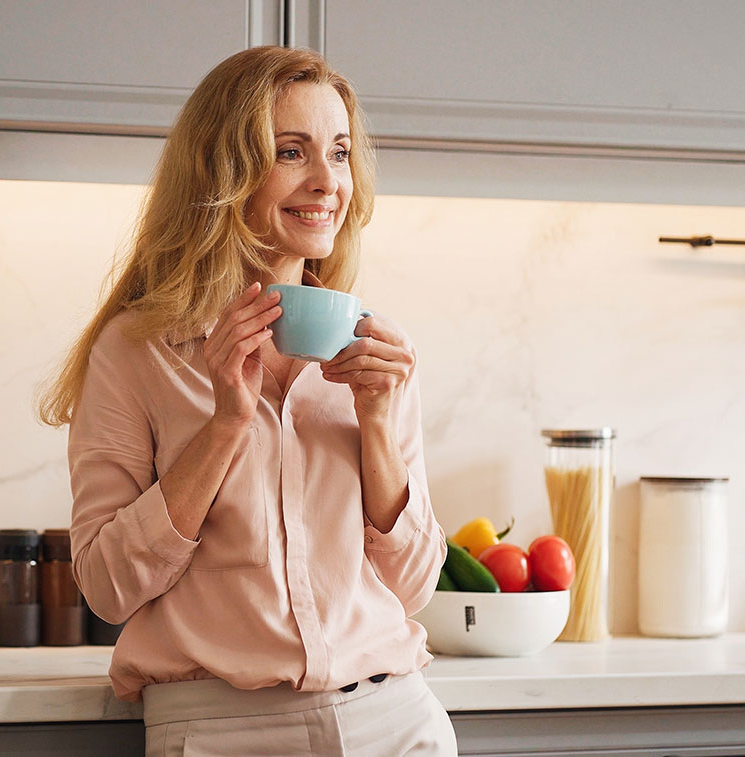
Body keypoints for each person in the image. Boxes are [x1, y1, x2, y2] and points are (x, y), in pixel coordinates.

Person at [39, 45, 457, 756]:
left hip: (395, 720)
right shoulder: (136, 350)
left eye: (340, 152)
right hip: (219, 731)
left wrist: (378, 425)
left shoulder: (375, 355)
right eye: (291, 152)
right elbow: (107, 587)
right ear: (223, 173)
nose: (328, 181)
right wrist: (227, 422)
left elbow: (413, 583)